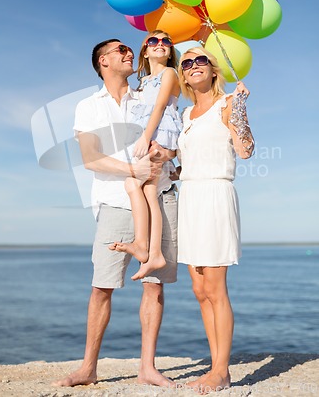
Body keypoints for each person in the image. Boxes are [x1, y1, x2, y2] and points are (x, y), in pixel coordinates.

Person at [53, 39, 178, 388]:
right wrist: (131, 171)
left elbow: (173, 138)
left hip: (161, 193)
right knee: (102, 286)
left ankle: (147, 368)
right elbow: (90, 158)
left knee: (154, 285)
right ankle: (88, 368)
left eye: (129, 49)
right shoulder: (88, 106)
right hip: (114, 200)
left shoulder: (149, 93)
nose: (129, 52)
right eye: (119, 50)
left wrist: (164, 155)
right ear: (102, 62)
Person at [176, 47, 254, 393]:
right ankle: (214, 364)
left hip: (215, 195)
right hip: (188, 196)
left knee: (215, 288)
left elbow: (245, 150)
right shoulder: (185, 114)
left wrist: (239, 108)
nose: (193, 65)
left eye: (200, 60)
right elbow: (185, 163)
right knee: (198, 288)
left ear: (212, 69)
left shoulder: (228, 104)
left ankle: (221, 371)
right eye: (187, 62)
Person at [110, 30, 181, 281]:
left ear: (170, 50)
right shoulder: (144, 81)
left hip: (158, 136)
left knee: (132, 183)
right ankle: (155, 253)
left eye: (165, 41)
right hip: (149, 135)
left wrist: (144, 137)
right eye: (153, 41)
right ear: (145, 50)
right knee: (149, 191)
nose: (160, 45)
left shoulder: (170, 73)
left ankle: (142, 244)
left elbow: (160, 107)